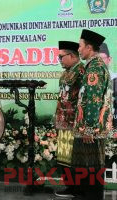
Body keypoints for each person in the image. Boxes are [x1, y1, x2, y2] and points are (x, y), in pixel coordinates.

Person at [73, 29, 113, 200]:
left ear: (89, 47)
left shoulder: (95, 67)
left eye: (80, 46)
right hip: (90, 127)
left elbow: (93, 100)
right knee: (87, 165)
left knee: (92, 166)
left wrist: (89, 129)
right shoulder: (92, 65)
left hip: (91, 128)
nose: (79, 50)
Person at [54, 41, 85, 198]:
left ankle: (77, 190)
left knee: (73, 159)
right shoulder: (67, 72)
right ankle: (70, 187)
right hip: (63, 122)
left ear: (72, 56)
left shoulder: (80, 72)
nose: (59, 59)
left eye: (61, 56)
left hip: (73, 123)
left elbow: (83, 100)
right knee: (64, 158)